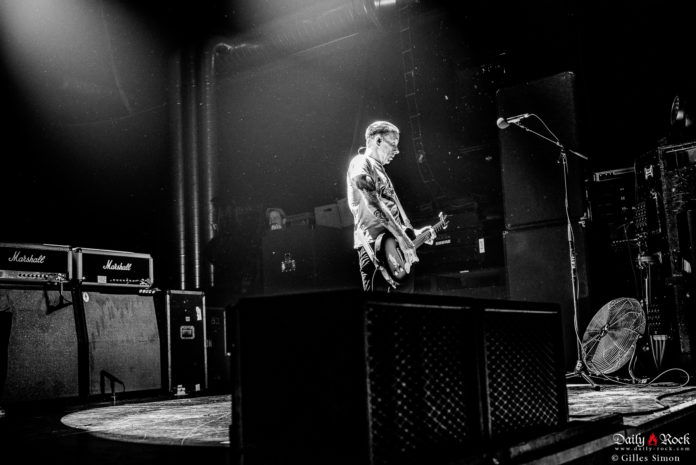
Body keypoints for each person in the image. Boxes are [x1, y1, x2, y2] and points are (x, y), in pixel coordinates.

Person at [346, 120, 434, 292]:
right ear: (378, 140)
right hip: (377, 248)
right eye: (393, 144)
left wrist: (412, 233)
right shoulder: (360, 161)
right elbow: (372, 202)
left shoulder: (381, 171)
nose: (397, 150)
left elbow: (391, 214)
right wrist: (402, 237)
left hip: (397, 251)